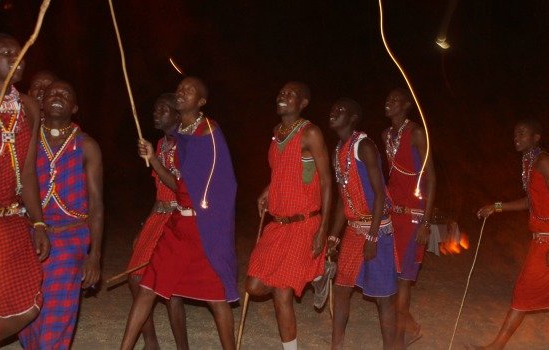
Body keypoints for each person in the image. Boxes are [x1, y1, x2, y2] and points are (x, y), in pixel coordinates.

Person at [121, 77, 238, 350]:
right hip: (178, 225)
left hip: (203, 228)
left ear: (201, 102)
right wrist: (152, 157)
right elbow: (178, 185)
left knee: (216, 298)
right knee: (147, 286)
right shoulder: (182, 136)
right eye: (180, 88)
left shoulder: (207, 132)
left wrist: (217, 222)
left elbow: (223, 183)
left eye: (190, 90)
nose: (182, 92)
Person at [475, 119, 549, 350]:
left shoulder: (544, 162)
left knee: (523, 292)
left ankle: (496, 346)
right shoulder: (529, 161)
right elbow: (532, 201)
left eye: (522, 134)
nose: (516, 138)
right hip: (544, 237)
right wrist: (496, 206)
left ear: (536, 137)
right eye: (515, 134)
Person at [0, 33, 49, 348]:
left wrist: (38, 221)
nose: (16, 58)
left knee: (23, 300)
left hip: (11, 219)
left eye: (20, 53)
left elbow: (28, 172)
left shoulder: (30, 107)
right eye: (6, 52)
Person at [245, 81, 332, 350]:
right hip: (278, 224)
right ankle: (318, 274)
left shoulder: (311, 134)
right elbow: (281, 172)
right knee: (254, 286)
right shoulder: (276, 133)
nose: (283, 96)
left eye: (291, 94)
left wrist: (323, 230)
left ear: (303, 103)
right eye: (281, 92)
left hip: (304, 223)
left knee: (281, 293)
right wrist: (267, 190)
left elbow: (327, 181)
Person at [18, 79, 104, 349]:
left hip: (70, 239)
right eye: (53, 93)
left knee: (57, 315)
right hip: (29, 236)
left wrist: (95, 255)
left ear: (74, 107)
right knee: (28, 315)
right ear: (42, 102)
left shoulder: (86, 145)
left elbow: (97, 204)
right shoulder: (26, 139)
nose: (58, 96)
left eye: (66, 95)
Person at [327, 98, 398, 349]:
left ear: (354, 118)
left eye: (341, 110)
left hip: (376, 229)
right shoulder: (338, 150)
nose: (334, 112)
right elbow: (341, 199)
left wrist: (373, 237)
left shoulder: (364, 146)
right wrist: (334, 237)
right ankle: (336, 346)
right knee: (341, 289)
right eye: (333, 109)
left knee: (384, 298)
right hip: (353, 229)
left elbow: (380, 193)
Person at [126, 93, 188, 349]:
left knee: (170, 291)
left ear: (177, 114)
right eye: (154, 108)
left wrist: (151, 159)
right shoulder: (161, 144)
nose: (156, 113)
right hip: (159, 215)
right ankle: (150, 341)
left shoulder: (186, 145)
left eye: (162, 109)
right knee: (134, 278)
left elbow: (178, 186)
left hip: (178, 218)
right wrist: (146, 224)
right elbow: (160, 191)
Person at [382, 88, 436, 347]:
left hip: (413, 218)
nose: (388, 102)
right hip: (392, 216)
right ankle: (410, 329)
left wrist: (427, 222)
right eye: (387, 99)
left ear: (406, 105)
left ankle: (400, 340)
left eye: (395, 100)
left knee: (402, 282)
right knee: (390, 278)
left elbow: (431, 177)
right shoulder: (386, 135)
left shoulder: (415, 132)